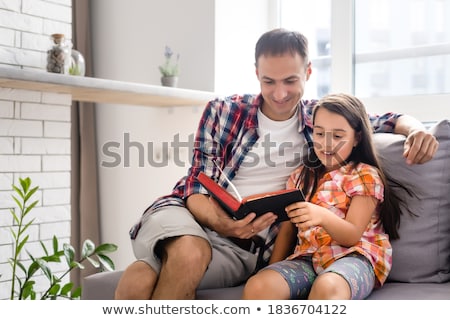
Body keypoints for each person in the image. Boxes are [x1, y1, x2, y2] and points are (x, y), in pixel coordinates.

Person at [115, 28, 439, 299]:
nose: (280, 93)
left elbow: (377, 121)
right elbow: (197, 186)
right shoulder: (224, 111)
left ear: (309, 73)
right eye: (269, 81)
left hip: (241, 243)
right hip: (188, 212)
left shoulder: (320, 119)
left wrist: (416, 129)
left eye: (290, 81)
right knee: (188, 251)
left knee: (139, 278)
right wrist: (224, 224)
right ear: (256, 73)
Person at [242, 93, 402, 300]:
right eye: (319, 133)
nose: (326, 144)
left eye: (337, 136)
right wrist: (273, 269)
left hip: (355, 257)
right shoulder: (300, 177)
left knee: (327, 287)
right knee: (259, 286)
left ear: (357, 138)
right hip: (307, 259)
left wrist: (322, 216)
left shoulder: (364, 175)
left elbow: (352, 234)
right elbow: (288, 230)